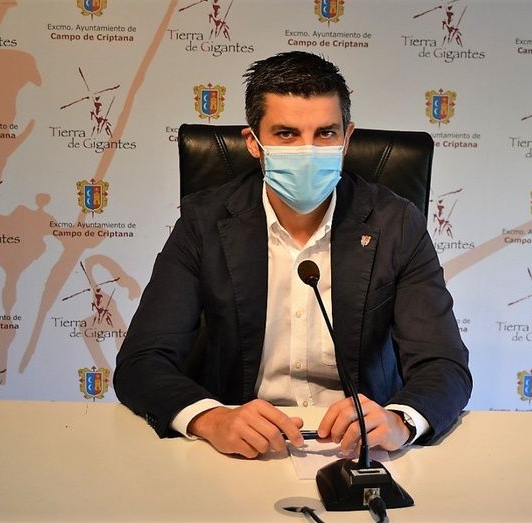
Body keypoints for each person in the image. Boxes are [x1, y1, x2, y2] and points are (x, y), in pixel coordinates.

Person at [114, 51, 471, 459]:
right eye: (286, 134)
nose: (308, 151)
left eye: (325, 134)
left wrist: (400, 420)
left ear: (347, 138)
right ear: (253, 142)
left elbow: (444, 365)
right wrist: (211, 419)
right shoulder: (203, 223)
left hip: (358, 450)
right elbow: (143, 360)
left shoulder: (397, 225)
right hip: (241, 450)